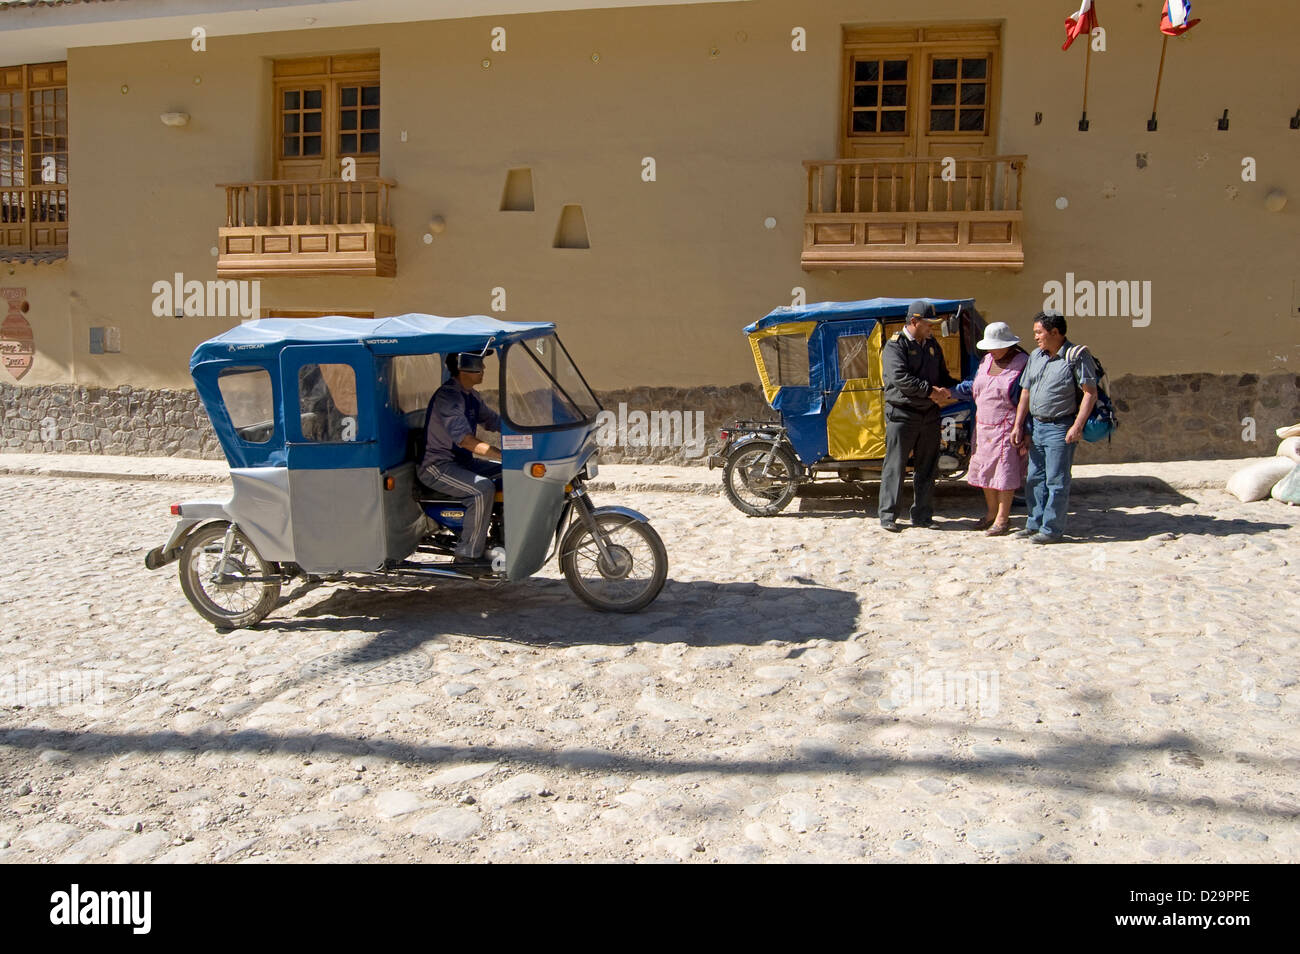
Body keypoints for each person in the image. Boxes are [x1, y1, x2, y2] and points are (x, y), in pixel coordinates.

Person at [1010, 312, 1098, 543]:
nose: (1036, 337)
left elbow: (1090, 393)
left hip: (1060, 427)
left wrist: (1077, 426)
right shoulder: (1036, 356)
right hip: (1037, 426)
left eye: (1039, 332)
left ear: (1055, 333)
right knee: (1034, 479)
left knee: (1056, 481)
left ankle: (1052, 529)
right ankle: (1034, 523)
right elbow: (1026, 392)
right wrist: (1019, 425)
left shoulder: (1077, 356)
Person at [878, 300, 959, 532]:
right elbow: (900, 379)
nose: (932, 328)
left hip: (930, 414)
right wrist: (932, 391)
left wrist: (958, 389)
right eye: (928, 323)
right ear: (914, 321)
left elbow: (942, 375)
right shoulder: (895, 346)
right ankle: (888, 515)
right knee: (895, 465)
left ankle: (922, 515)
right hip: (902, 414)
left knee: (927, 466)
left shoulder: (932, 345)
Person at [418, 351, 503, 572]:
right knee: (482, 489)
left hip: (461, 463)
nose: (483, 369)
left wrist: (525, 433)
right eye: (479, 365)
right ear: (463, 369)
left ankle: (500, 536)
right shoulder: (449, 397)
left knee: (510, 474)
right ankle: (467, 555)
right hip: (438, 466)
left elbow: (493, 421)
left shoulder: (471, 396)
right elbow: (465, 441)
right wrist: (500, 453)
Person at [952, 322, 1029, 536]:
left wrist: (1024, 429)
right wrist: (949, 392)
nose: (991, 350)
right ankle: (991, 513)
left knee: (1004, 472)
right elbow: (973, 386)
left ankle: (1003, 519)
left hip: (1007, 427)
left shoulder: (1023, 364)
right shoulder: (986, 361)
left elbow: (1028, 397)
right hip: (984, 427)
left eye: (996, 346)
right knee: (985, 470)